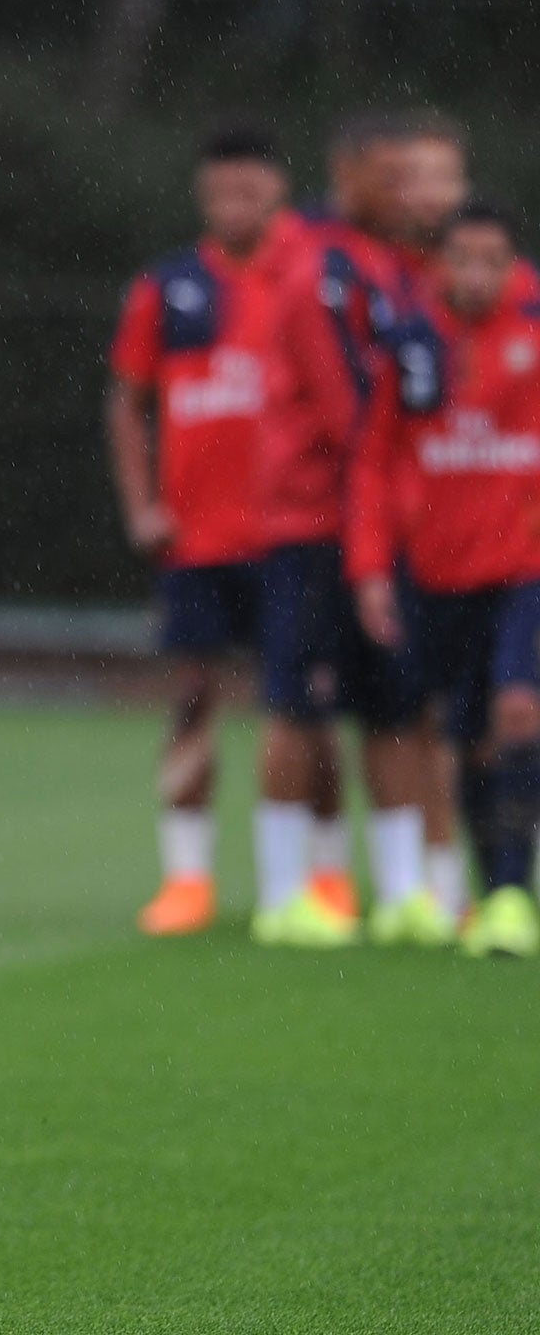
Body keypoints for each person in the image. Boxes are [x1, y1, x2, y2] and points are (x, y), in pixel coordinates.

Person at [250, 114, 450, 949]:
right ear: (350, 175)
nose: (409, 193)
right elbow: (352, 415)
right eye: (391, 176)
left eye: (416, 176)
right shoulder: (320, 271)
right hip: (314, 525)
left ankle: (403, 892)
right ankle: (281, 892)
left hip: (379, 526)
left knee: (396, 708)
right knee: (301, 708)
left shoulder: (393, 268)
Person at [110, 126, 303, 935]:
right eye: (221, 193)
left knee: (298, 707)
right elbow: (127, 397)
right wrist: (141, 504)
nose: (234, 207)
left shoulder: (308, 281)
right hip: (195, 540)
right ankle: (187, 880)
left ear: (277, 192)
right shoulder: (171, 286)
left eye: (249, 193)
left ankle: (301, 882)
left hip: (291, 535)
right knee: (193, 696)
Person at [350, 202, 540, 956]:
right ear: (442, 264)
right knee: (464, 738)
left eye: (492, 260)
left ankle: (511, 897)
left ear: (511, 265)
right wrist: (370, 569)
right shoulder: (409, 345)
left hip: (525, 567)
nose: (476, 275)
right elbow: (372, 461)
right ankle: (482, 886)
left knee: (520, 709)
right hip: (438, 571)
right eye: (463, 258)